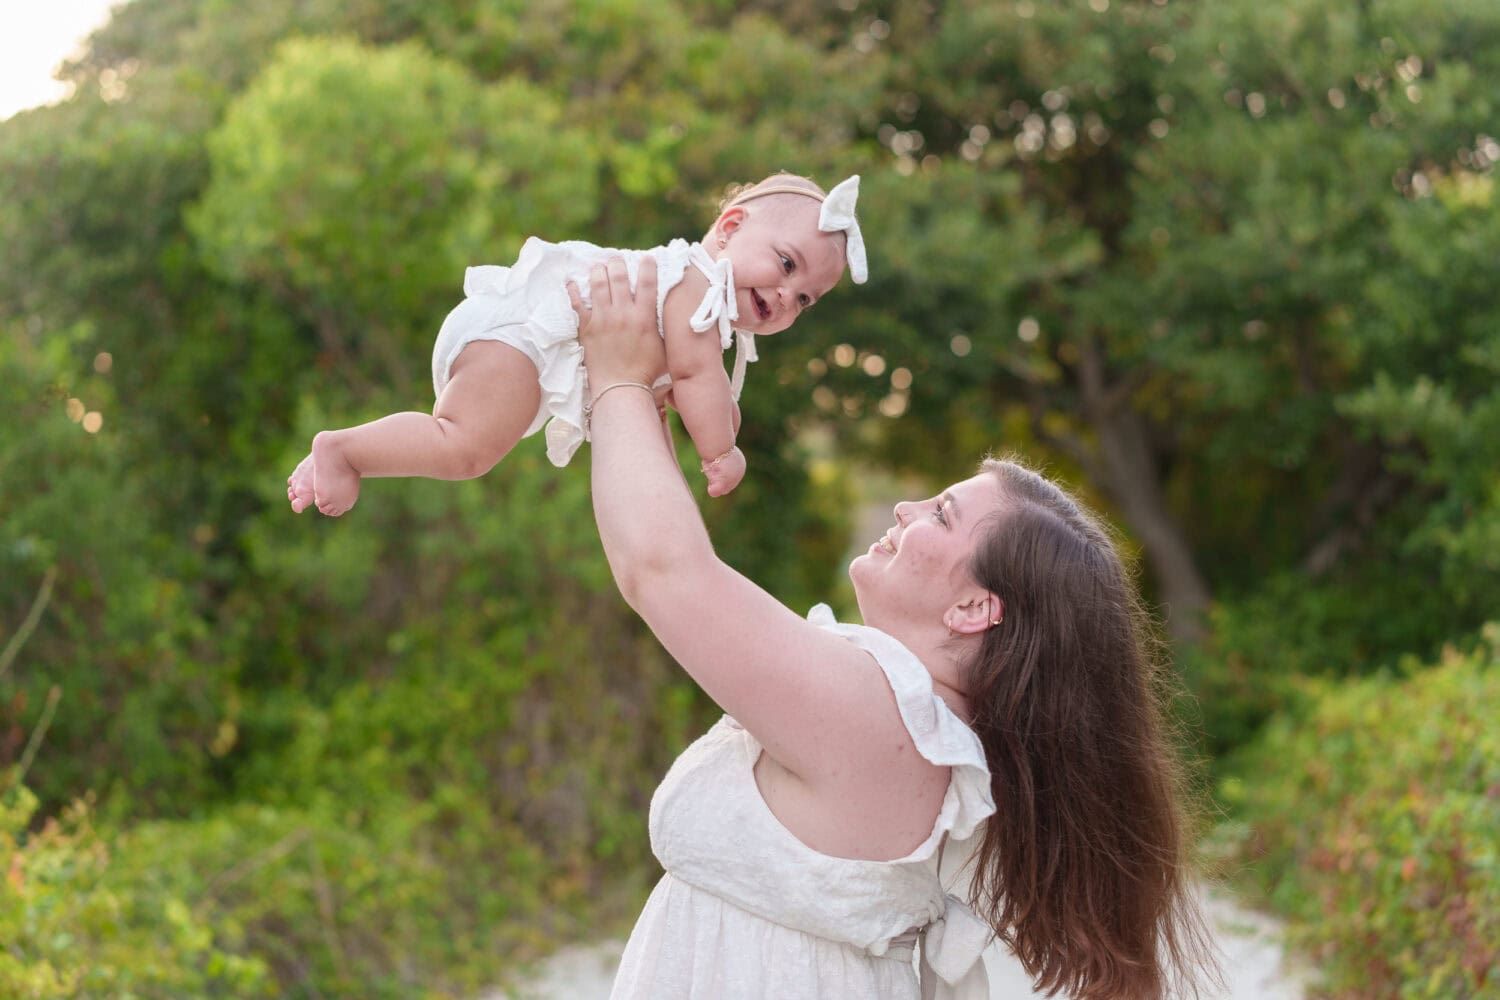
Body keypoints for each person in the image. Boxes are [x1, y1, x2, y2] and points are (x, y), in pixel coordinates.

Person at [571, 256, 1218, 1000]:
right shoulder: (917, 725)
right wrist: (646, 412)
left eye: (940, 513)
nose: (907, 510)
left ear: (975, 609)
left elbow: (664, 571)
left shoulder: (881, 716)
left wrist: (615, 378)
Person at [285, 172, 867, 516]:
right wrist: (721, 452)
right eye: (786, 264)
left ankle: (335, 457)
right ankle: (343, 450)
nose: (786, 295)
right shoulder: (695, 284)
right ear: (732, 228)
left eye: (806, 299)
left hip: (517, 348)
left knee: (464, 448)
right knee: (463, 448)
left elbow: (690, 384)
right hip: (524, 339)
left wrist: (716, 411)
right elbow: (694, 381)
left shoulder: (702, 309)